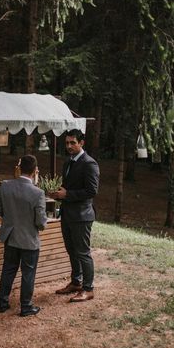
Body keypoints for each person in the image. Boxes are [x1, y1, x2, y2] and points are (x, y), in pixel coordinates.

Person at [0, 155, 47, 317]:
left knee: (8, 270)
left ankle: (2, 302)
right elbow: (41, 222)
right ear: (35, 171)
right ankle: (26, 306)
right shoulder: (38, 193)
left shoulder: (5, 186)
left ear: (19, 168)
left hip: (10, 237)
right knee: (28, 273)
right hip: (29, 240)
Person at [49, 129, 100, 302]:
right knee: (71, 250)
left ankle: (88, 288)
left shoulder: (89, 164)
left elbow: (92, 191)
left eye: (73, 143)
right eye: (67, 143)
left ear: (82, 143)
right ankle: (76, 282)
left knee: (83, 253)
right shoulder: (68, 161)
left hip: (82, 215)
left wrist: (67, 195)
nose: (69, 146)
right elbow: (67, 186)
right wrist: (57, 193)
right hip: (67, 214)